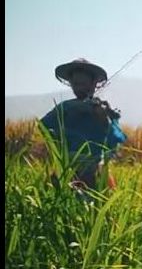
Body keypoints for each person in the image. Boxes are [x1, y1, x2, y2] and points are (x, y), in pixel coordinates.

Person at [40, 58, 127, 190]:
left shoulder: (101, 108)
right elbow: (43, 126)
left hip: (94, 169)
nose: (80, 87)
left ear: (94, 84)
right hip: (67, 167)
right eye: (76, 83)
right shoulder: (65, 107)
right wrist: (57, 145)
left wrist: (104, 119)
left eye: (84, 83)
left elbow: (114, 140)